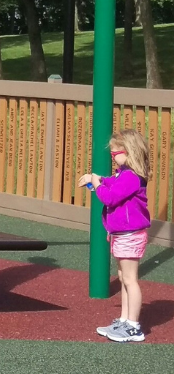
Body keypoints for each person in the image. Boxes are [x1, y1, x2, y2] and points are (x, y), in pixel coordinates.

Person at [80, 129, 151, 343]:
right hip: (122, 233)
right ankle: (124, 320)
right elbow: (111, 184)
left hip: (130, 234)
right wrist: (98, 180)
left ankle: (133, 326)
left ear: (127, 152)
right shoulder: (124, 175)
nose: (113, 158)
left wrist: (97, 184)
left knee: (130, 279)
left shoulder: (131, 177)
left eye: (114, 154)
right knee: (123, 278)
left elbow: (110, 198)